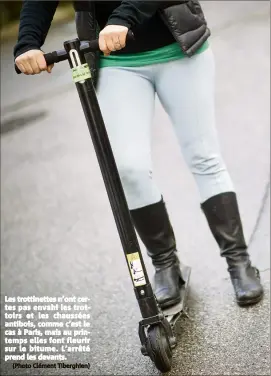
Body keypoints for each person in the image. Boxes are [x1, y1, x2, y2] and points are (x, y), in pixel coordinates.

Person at [14, 1, 264, 308]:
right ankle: (165, 265)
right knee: (129, 168)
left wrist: (122, 18)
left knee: (203, 156)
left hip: (179, 50)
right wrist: (28, 42)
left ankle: (239, 261)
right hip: (115, 62)